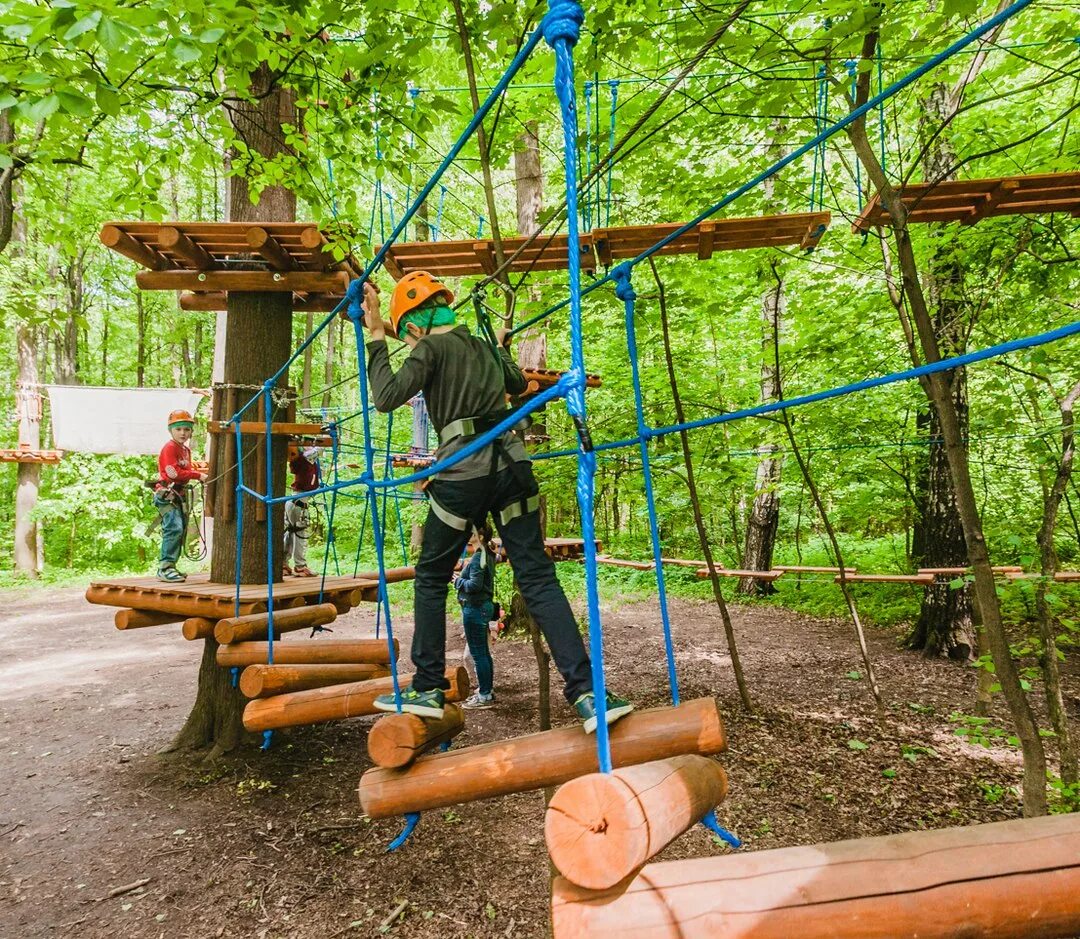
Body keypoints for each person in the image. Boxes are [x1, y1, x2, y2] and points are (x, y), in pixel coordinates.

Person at [353, 272, 632, 733]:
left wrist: (376, 334)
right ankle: (588, 694)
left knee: (431, 576)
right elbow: (517, 383)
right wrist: (499, 346)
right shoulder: (481, 346)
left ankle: (426, 686)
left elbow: (385, 397)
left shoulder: (429, 348)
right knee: (538, 578)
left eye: (406, 333)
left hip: (464, 475)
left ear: (416, 326)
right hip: (513, 468)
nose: (409, 340)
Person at [155, 409, 206, 583]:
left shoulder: (185, 450)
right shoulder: (170, 448)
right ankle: (165, 567)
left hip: (178, 494)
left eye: (186, 429)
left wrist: (196, 471)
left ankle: (171, 565)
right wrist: (197, 475)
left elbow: (184, 469)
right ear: (171, 430)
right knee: (174, 528)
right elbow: (174, 473)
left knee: (180, 529)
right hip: (167, 494)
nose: (183, 433)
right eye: (179, 429)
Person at [456, 522, 498, 709]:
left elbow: (474, 585)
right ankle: (486, 691)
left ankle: (484, 695)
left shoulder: (478, 557)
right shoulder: (487, 555)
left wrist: (458, 581)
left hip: (475, 608)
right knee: (483, 653)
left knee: (478, 653)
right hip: (482, 607)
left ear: (480, 537)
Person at [284, 439, 320, 577]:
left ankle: (283, 563)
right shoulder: (305, 458)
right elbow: (317, 451)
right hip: (299, 500)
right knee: (300, 532)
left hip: (295, 500)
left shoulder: (302, 461)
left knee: (291, 531)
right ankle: (300, 566)